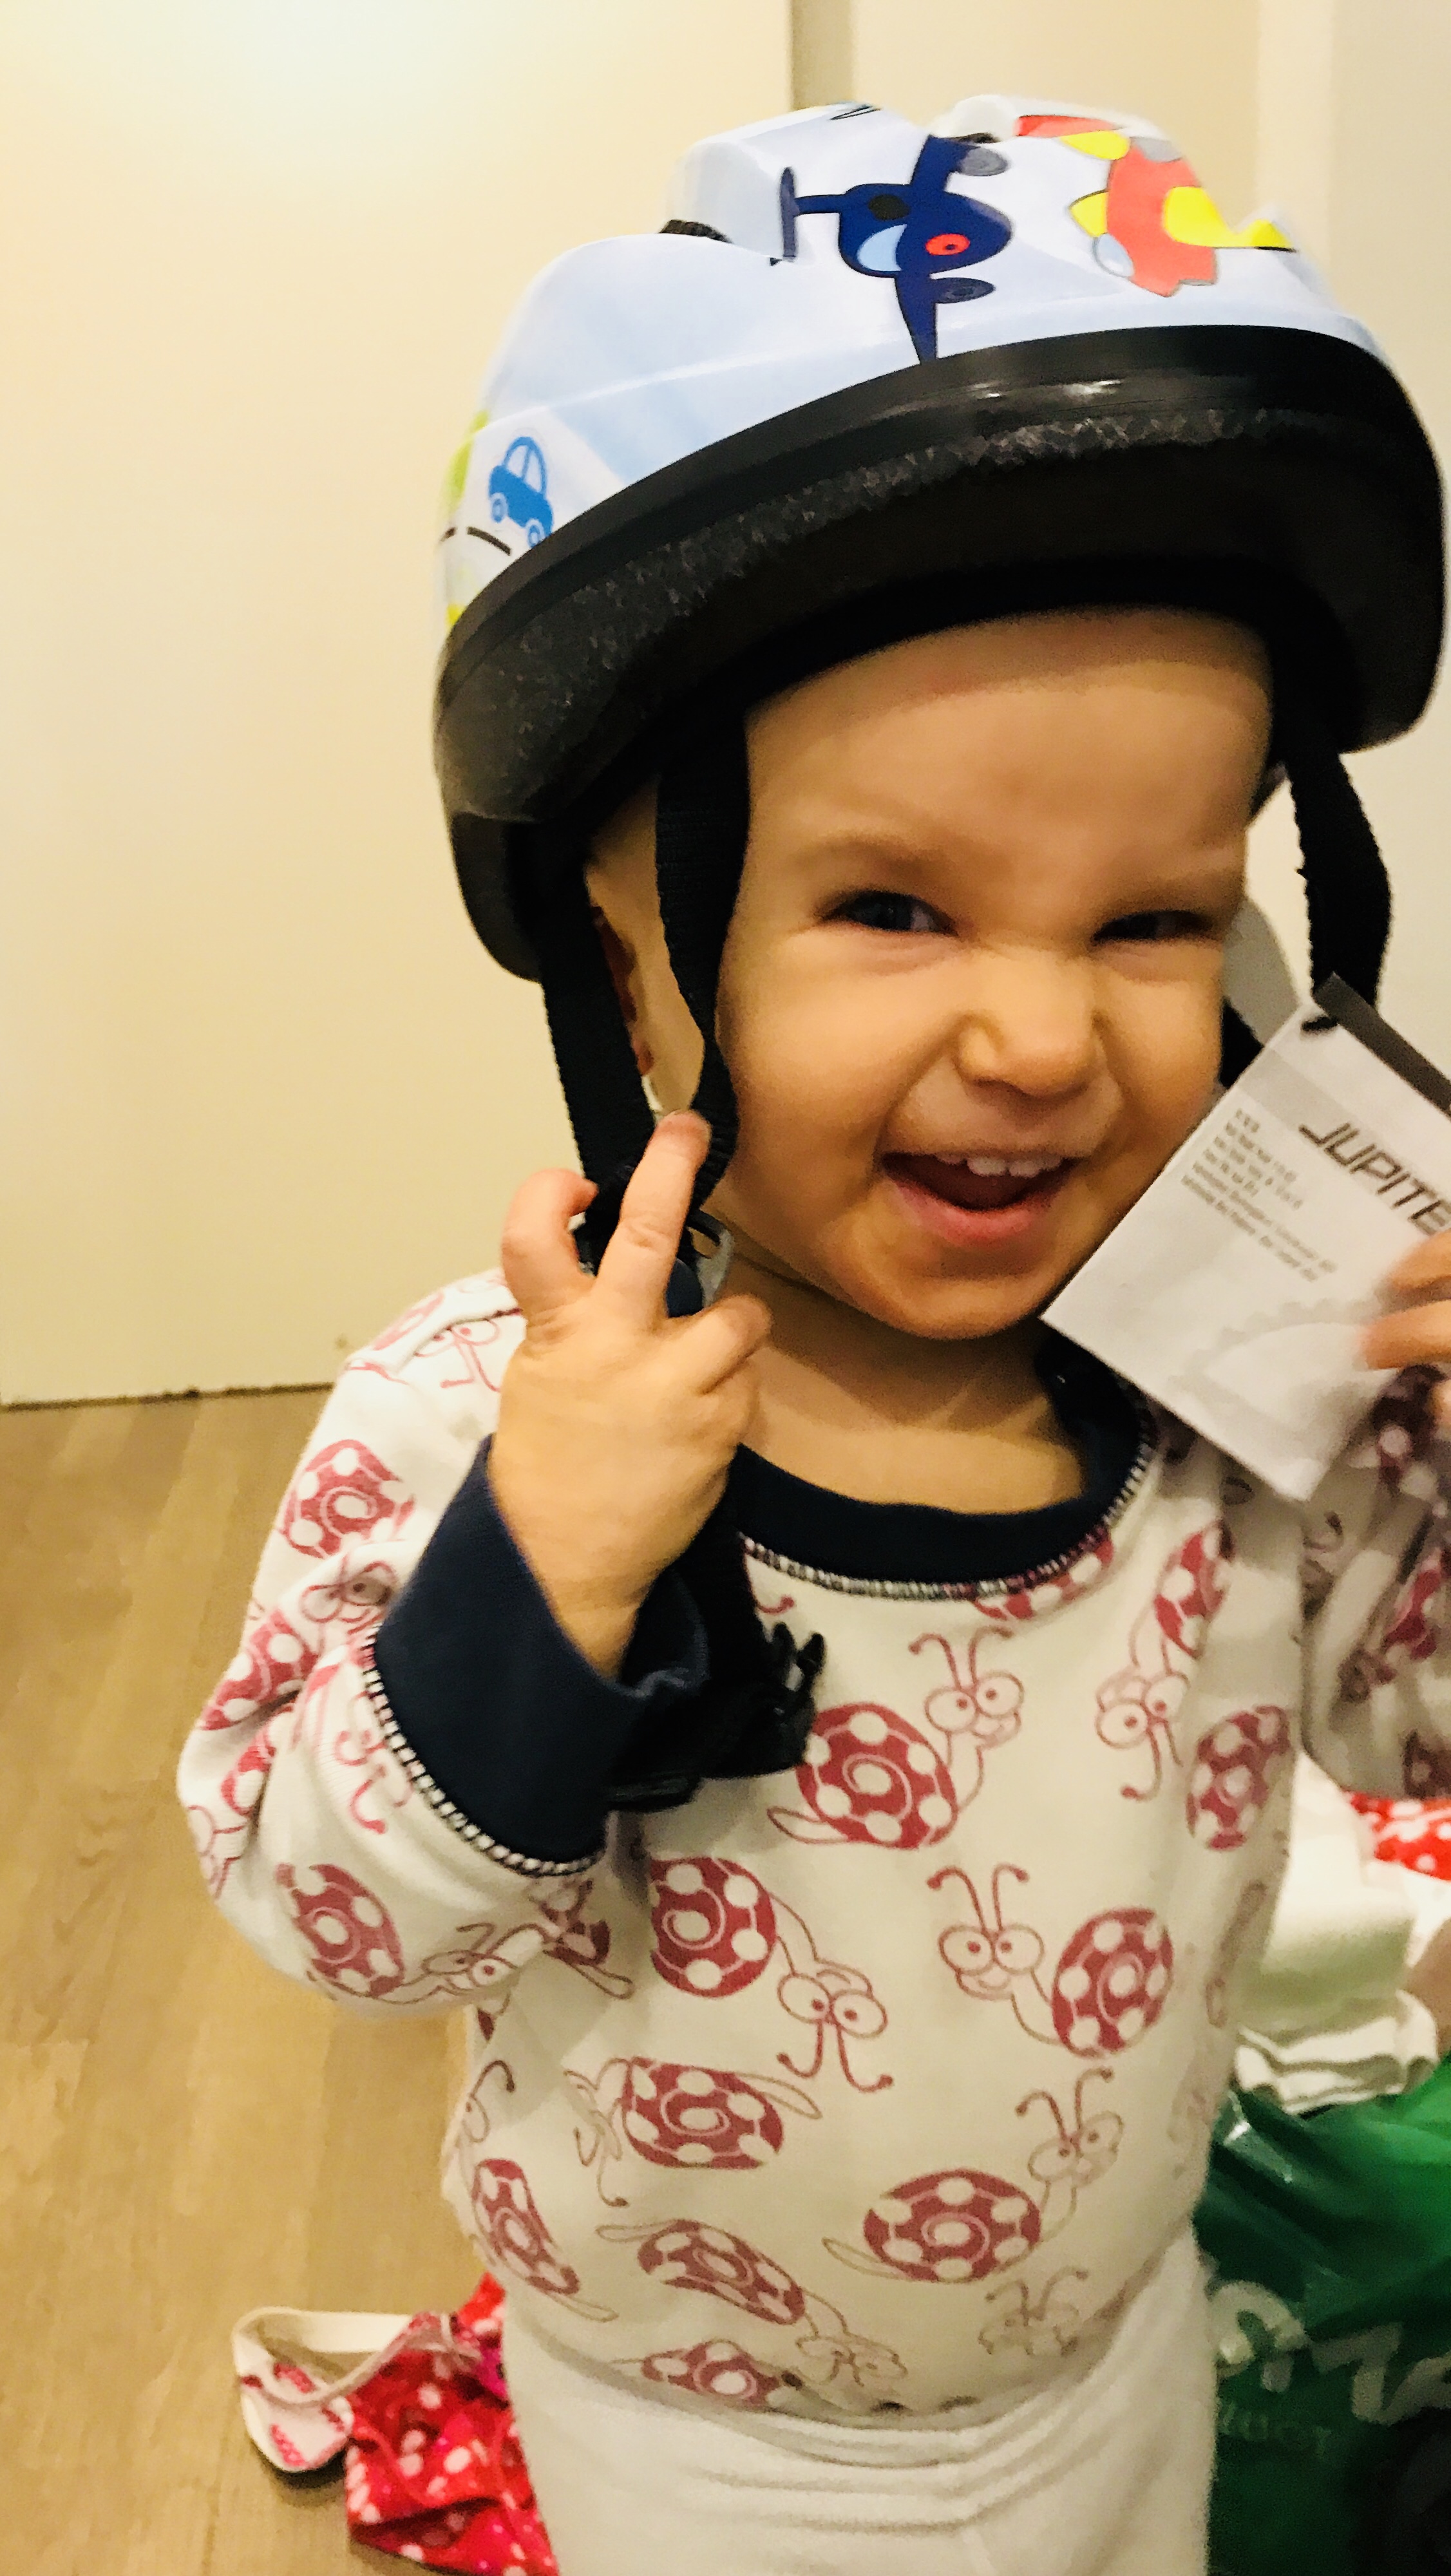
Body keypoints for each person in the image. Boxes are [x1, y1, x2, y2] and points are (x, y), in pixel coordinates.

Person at [180, 90, 1451, 2576]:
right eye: (896, 909)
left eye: (1152, 921)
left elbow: (1415, 1725)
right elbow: (326, 1914)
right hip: (697, 2436)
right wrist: (542, 1575)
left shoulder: (1234, 1401)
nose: (1046, 1039)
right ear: (619, 948)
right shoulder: (481, 1415)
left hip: (1116, 2350)